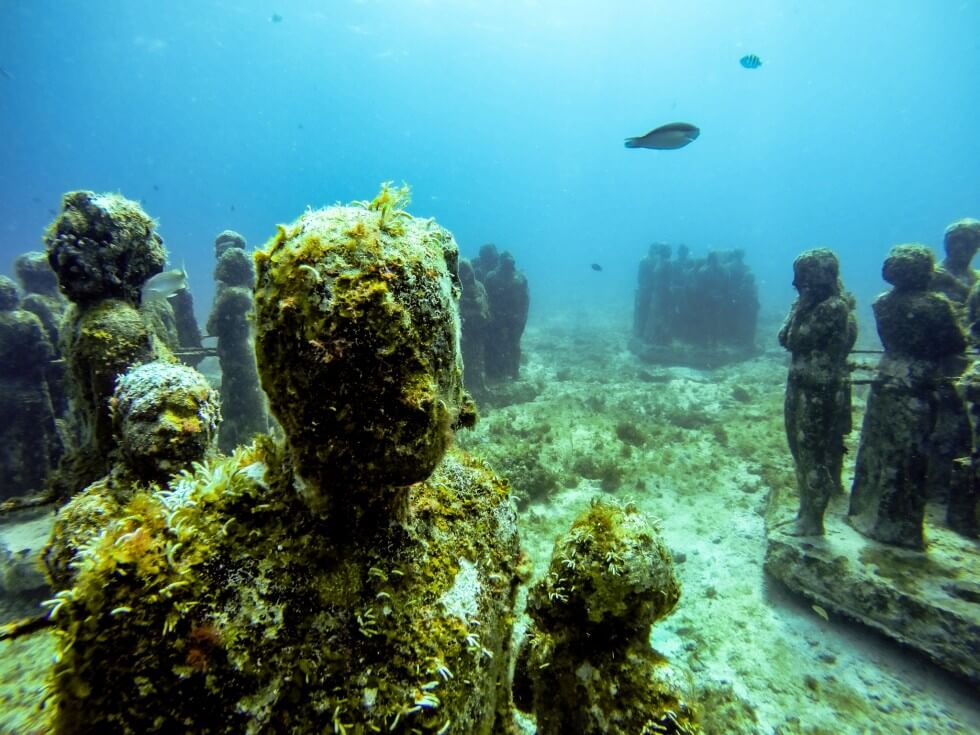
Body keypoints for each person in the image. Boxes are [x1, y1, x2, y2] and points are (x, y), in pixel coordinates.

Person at [778, 249, 857, 535]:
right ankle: (804, 511)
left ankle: (814, 519)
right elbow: (783, 337)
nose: (795, 284)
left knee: (812, 452)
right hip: (798, 383)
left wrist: (800, 309)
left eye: (801, 277)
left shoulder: (834, 308)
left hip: (819, 389)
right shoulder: (803, 305)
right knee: (798, 450)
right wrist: (800, 307)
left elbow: (798, 337)